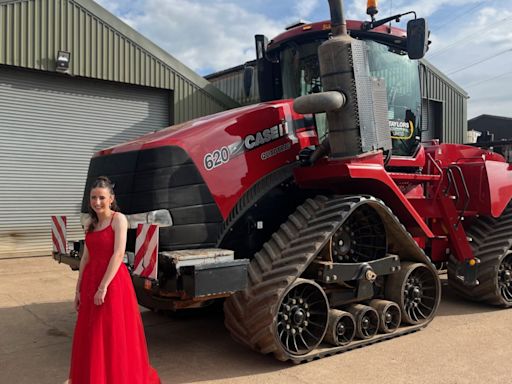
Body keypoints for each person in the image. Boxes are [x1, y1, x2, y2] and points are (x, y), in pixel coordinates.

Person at [68, 176, 160, 384]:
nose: (97, 202)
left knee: (111, 333)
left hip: (112, 283)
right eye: (93, 198)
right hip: (92, 281)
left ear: (111, 198)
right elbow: (86, 257)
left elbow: (118, 254)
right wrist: (78, 289)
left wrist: (103, 287)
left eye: (101, 197)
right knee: (92, 334)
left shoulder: (118, 219)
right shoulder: (90, 223)